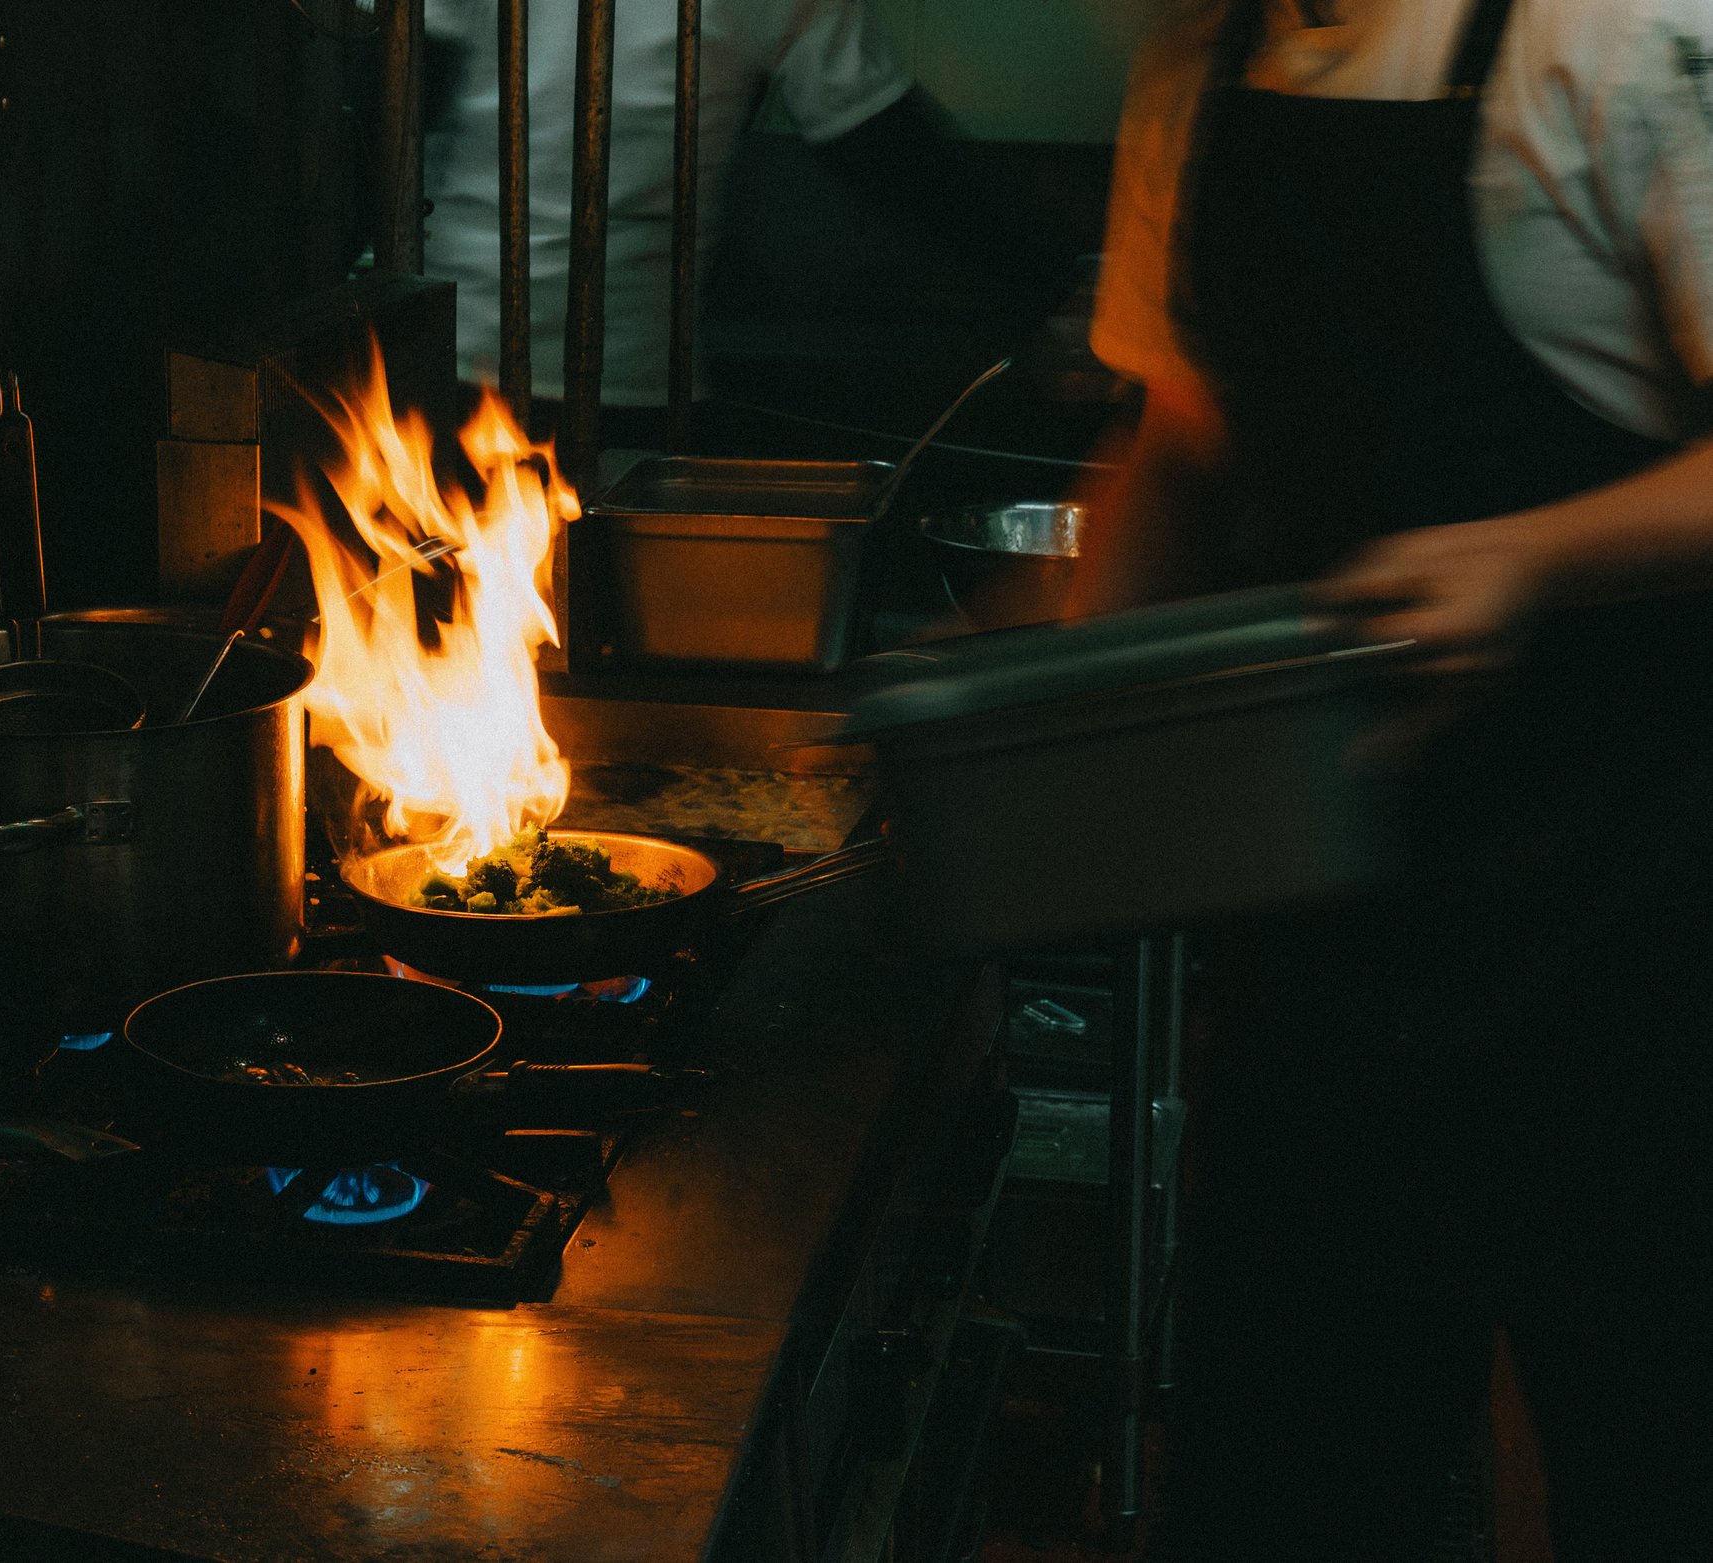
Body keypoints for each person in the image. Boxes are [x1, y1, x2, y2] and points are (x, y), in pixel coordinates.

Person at [1083, 0, 1713, 1557]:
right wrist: (1041, 694)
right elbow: (1183, 427)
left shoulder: (1617, 38)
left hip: (1645, 926)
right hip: (1331, 933)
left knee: (1658, 1468)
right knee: (1291, 1478)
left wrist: (1530, 558)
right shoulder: (1201, 62)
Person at [419, 0, 1055, 439]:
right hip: (629, 381)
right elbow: (880, 143)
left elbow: (405, 91)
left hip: (452, 352)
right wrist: (1050, 271)